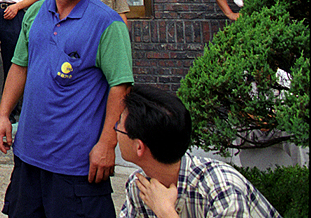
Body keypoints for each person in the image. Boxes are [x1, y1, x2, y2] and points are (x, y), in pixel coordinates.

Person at [0, 0, 133, 218]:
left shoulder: (108, 23)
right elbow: (19, 66)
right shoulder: (35, 13)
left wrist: (108, 144)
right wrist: (3, 114)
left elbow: (120, 87)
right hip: (29, 155)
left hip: (77, 164)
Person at [116, 84, 281, 218]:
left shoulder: (221, 189)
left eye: (119, 124)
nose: (115, 130)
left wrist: (165, 212)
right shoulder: (139, 187)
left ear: (139, 147)